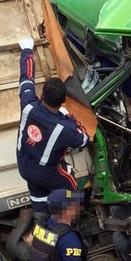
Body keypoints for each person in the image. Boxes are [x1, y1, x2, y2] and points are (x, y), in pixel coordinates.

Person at [16, 38, 89, 218]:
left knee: (38, 193)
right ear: (64, 100)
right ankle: (68, 222)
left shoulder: (28, 105)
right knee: (70, 186)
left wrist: (27, 50)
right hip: (46, 171)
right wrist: (69, 115)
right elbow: (84, 138)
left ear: (42, 94)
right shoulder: (64, 128)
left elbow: (26, 79)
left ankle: (41, 219)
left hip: (24, 165)